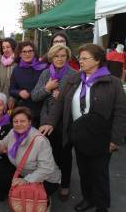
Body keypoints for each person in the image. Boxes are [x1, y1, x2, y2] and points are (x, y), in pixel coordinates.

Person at [40, 43, 126, 212]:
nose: (80, 61)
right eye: (79, 58)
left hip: (101, 136)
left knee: (99, 174)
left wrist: (115, 139)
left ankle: (101, 206)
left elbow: (121, 113)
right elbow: (59, 104)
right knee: (84, 171)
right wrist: (50, 122)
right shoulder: (74, 80)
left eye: (85, 58)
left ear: (97, 60)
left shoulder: (113, 83)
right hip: (79, 134)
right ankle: (88, 199)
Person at [0, 107, 61, 200]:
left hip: (45, 179)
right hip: (23, 171)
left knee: (27, 200)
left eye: (23, 121)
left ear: (30, 122)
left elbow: (46, 169)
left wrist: (26, 181)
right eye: (16, 121)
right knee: (0, 176)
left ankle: (44, 200)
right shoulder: (13, 132)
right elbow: (0, 145)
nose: (19, 124)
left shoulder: (40, 141)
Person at [31, 44, 77, 201]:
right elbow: (35, 96)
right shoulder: (45, 73)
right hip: (46, 121)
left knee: (64, 155)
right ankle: (50, 182)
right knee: (47, 154)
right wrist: (47, 88)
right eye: (56, 56)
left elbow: (78, 101)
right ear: (51, 57)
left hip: (65, 122)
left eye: (63, 56)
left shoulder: (74, 75)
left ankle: (65, 184)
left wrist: (62, 98)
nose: (59, 59)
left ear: (67, 57)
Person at [9, 41, 48, 128]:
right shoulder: (16, 70)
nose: (27, 54)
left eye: (30, 51)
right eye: (24, 51)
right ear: (20, 54)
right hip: (25, 110)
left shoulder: (44, 67)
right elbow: (11, 89)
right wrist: (19, 92)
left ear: (34, 53)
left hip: (42, 110)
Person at [0, 38, 17, 110]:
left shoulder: (18, 62)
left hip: (15, 99)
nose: (5, 50)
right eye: (3, 48)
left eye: (8, 47)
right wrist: (0, 99)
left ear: (13, 47)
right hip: (2, 101)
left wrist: (13, 98)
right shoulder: (0, 63)